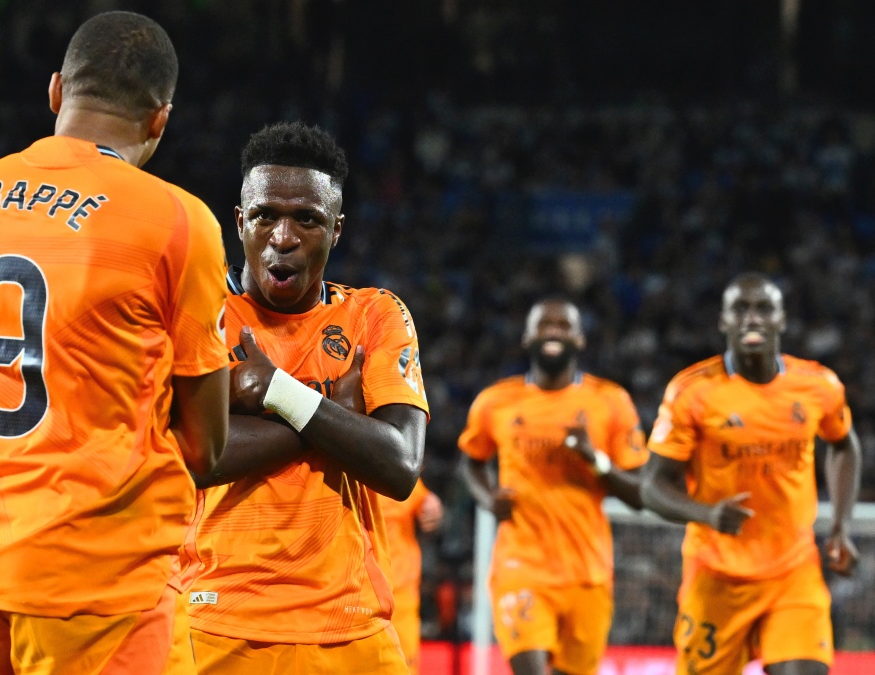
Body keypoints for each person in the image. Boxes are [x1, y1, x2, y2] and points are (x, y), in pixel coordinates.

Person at [0, 11, 230, 675]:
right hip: (97, 582)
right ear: (160, 119)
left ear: (56, 91)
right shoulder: (177, 219)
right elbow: (205, 445)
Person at [184, 122, 429, 673]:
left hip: (353, 625)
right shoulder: (197, 313)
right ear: (240, 220)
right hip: (216, 621)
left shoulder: (376, 315)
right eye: (266, 214)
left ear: (336, 230)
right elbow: (199, 457)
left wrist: (274, 392)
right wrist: (335, 421)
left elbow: (398, 464)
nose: (284, 236)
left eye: (307, 219)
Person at [641, 273, 862, 675]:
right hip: (717, 577)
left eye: (764, 309)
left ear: (781, 320)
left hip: (793, 573)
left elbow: (844, 444)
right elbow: (652, 486)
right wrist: (706, 514)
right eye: (740, 309)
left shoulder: (818, 386)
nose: (752, 318)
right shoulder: (692, 392)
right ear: (724, 322)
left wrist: (841, 526)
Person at [457, 299, 648, 675]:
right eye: (544, 325)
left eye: (563, 326)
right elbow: (471, 462)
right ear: (527, 337)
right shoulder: (495, 402)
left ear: (580, 339)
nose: (553, 332)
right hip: (521, 565)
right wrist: (487, 497)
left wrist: (595, 460)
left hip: (587, 574)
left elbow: (639, 493)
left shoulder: (610, 402)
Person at [380, 479, 444, 674]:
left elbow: (427, 505)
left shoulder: (388, 462)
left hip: (400, 599)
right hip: (353, 599)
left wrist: (432, 508)